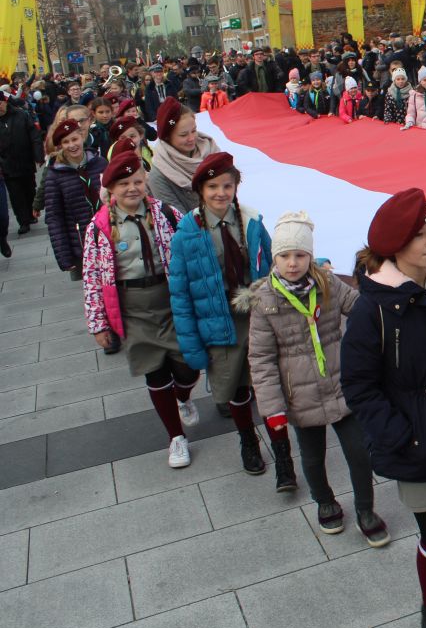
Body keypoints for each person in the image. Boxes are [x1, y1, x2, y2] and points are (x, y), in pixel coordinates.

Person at [340, 189, 426, 628]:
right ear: (395, 246)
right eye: (420, 236)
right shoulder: (372, 309)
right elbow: (359, 386)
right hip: (419, 440)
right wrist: (401, 435)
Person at [241, 211, 389, 540]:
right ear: (274, 257)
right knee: (312, 456)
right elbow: (261, 358)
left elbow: (361, 306)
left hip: (341, 384)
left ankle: (366, 508)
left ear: (310, 255)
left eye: (299, 255)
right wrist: (272, 408)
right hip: (299, 394)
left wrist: (382, 296)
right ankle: (325, 502)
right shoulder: (265, 301)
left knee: (359, 453)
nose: (292, 263)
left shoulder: (328, 284)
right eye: (284, 255)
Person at [83, 150, 198, 467]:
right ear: (111, 189)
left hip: (171, 299)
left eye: (137, 181)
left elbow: (190, 245)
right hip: (132, 306)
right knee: (156, 371)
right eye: (124, 184)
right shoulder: (100, 226)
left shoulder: (165, 213)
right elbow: (92, 276)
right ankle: (176, 438)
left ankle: (184, 396)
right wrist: (98, 324)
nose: (132, 188)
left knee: (189, 365)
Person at [168, 152, 275, 476]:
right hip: (218, 321)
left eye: (227, 186)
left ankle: (280, 448)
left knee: (267, 386)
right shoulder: (188, 230)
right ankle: (248, 441)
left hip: (255, 316)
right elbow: (181, 292)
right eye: (213, 186)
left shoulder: (252, 220)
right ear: (200, 189)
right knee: (236, 388)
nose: (220, 193)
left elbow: (273, 266)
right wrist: (191, 345)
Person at [43, 117, 106, 282]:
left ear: (82, 137)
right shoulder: (55, 174)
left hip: (109, 235)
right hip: (81, 242)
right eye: (66, 142)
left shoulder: (99, 163)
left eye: (75, 139)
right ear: (60, 146)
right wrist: (64, 256)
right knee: (94, 290)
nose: (72, 145)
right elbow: (54, 216)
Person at [147, 98, 220, 215]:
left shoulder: (212, 152)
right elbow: (178, 220)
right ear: (167, 137)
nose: (192, 138)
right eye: (183, 135)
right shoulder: (159, 176)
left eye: (194, 130)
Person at [0, 92, 44, 235]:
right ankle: (23, 221)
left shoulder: (21, 115)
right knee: (15, 194)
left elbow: (34, 135)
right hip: (7, 165)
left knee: (29, 189)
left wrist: (38, 155)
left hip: (25, 161)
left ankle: (31, 214)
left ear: (5, 102)